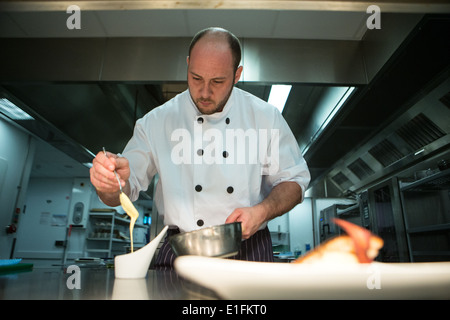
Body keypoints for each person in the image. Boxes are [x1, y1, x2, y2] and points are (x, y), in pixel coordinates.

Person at [90, 27, 310, 270]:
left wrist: (262, 211)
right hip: (181, 251)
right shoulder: (156, 122)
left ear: (237, 75)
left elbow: (295, 181)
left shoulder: (265, 118)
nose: (205, 92)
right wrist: (108, 184)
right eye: (196, 78)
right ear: (187, 65)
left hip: (249, 251)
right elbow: (121, 191)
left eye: (217, 81)